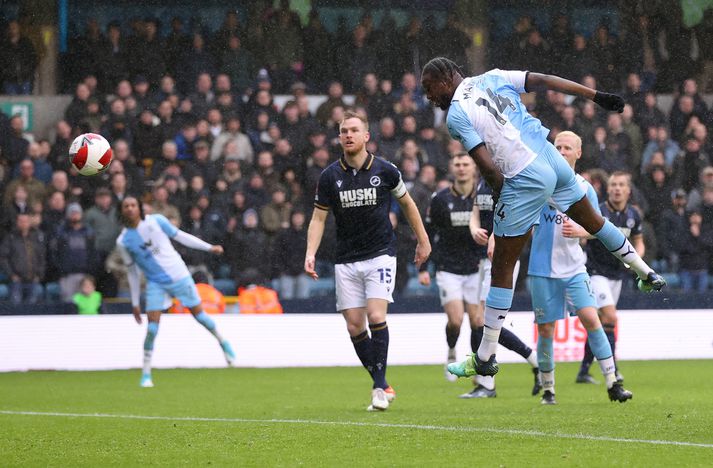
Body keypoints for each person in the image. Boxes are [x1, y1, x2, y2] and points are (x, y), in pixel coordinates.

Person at [420, 57, 665, 380]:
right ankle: (646, 272)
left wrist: (499, 199)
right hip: (549, 155)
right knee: (594, 220)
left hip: (524, 176)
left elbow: (490, 168)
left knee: (502, 268)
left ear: (448, 77)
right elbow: (546, 79)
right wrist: (595, 96)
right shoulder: (492, 76)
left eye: (429, 87)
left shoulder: (456, 115)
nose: (428, 95)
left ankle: (484, 358)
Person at [304, 110, 431, 412]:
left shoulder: (385, 171)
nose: (348, 135)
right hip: (346, 259)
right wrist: (310, 252)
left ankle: (377, 386)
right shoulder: (329, 176)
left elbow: (408, 205)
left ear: (366, 136)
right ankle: (382, 380)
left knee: (376, 317)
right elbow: (318, 218)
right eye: (343, 131)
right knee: (353, 326)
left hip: (380, 254)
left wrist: (423, 239)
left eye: (353, 130)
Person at [418, 153, 541, 398]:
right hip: (482, 262)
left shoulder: (507, 180)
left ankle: (513, 370)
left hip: (502, 258)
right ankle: (496, 377)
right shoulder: (484, 183)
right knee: (483, 321)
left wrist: (496, 236)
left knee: (484, 321)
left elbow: (513, 214)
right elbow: (477, 212)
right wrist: (475, 230)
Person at [528, 131, 633, 404]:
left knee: (592, 319)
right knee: (546, 329)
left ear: (578, 153)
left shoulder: (585, 188)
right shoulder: (538, 182)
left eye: (567, 148)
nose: (561, 151)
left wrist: (581, 230)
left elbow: (596, 227)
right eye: (557, 147)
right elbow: (520, 218)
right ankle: (549, 389)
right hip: (541, 270)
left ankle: (612, 382)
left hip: (575, 269)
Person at [116, 196, 235, 388]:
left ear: (139, 208)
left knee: (201, 317)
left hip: (180, 276)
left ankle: (223, 343)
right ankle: (146, 374)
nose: (130, 209)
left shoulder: (156, 221)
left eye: (133, 205)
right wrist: (135, 302)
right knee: (152, 329)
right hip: (155, 284)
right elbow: (132, 272)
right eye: (126, 206)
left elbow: (181, 236)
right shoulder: (123, 241)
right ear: (121, 211)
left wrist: (208, 247)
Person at [573, 171, 645, 385]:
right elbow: (585, 231)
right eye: (613, 184)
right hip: (596, 272)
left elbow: (639, 242)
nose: (616, 188)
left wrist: (635, 259)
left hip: (617, 275)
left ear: (628, 190)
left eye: (621, 185)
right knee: (611, 317)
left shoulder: (633, 215)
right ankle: (613, 369)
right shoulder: (598, 211)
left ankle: (584, 370)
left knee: (601, 322)